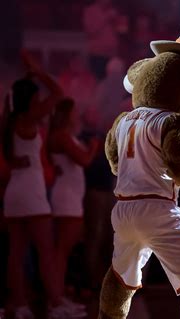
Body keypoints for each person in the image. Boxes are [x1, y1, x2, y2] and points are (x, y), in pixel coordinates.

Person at [2, 52, 85, 318]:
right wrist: (39, 72)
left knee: (16, 251)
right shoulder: (28, 117)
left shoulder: (10, 120)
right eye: (36, 96)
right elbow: (59, 93)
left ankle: (20, 304)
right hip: (31, 192)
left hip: (15, 192)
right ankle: (57, 304)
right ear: (31, 99)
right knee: (46, 250)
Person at [48, 98, 99, 304]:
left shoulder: (64, 136)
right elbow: (84, 159)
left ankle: (59, 294)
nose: (77, 115)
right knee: (61, 250)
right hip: (66, 197)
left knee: (65, 249)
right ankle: (56, 298)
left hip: (70, 196)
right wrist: (94, 147)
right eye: (74, 112)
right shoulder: (62, 136)